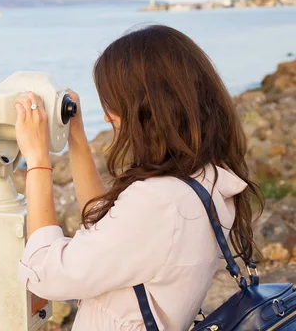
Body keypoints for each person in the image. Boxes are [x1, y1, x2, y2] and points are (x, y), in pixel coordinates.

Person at [14, 25, 263, 331]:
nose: (107, 116)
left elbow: (45, 272)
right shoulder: (208, 180)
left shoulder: (161, 202)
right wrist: (76, 139)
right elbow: (105, 228)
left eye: (113, 102)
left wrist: (37, 159)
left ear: (147, 105)